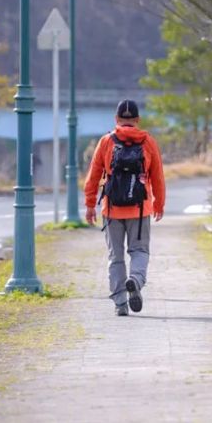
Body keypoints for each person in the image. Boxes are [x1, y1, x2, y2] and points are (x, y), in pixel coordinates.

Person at [84, 98, 165, 316]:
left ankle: (120, 303)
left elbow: (93, 176)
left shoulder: (106, 141)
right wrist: (159, 203)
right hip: (140, 208)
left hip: (112, 209)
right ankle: (135, 280)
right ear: (138, 119)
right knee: (140, 250)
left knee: (116, 257)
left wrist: (90, 204)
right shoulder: (148, 142)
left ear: (116, 119)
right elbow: (157, 176)